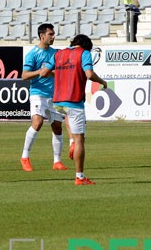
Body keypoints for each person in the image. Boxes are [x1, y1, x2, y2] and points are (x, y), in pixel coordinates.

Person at [40, 34, 107, 185]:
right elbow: (89, 74)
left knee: (68, 119)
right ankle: (80, 177)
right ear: (85, 46)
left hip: (57, 101)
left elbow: (43, 73)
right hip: (73, 100)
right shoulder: (84, 53)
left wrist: (61, 73)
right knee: (80, 140)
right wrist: (102, 81)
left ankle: (72, 142)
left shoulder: (58, 53)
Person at [20, 23, 68, 172]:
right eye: (51, 34)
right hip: (38, 93)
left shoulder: (56, 53)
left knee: (57, 127)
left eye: (53, 34)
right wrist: (40, 72)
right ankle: (25, 157)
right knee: (38, 122)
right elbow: (24, 75)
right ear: (42, 36)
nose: (53, 37)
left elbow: (59, 71)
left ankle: (57, 161)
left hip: (54, 95)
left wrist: (52, 73)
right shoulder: (33, 54)